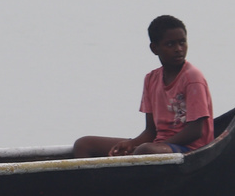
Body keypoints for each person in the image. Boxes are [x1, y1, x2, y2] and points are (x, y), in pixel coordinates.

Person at [73, 15, 214, 158]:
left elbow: (196, 130)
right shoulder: (151, 79)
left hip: (189, 149)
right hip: (158, 145)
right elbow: (151, 131)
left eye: (182, 42)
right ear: (155, 48)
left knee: (144, 151)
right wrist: (131, 144)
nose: (178, 49)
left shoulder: (192, 78)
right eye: (170, 44)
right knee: (83, 144)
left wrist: (157, 146)